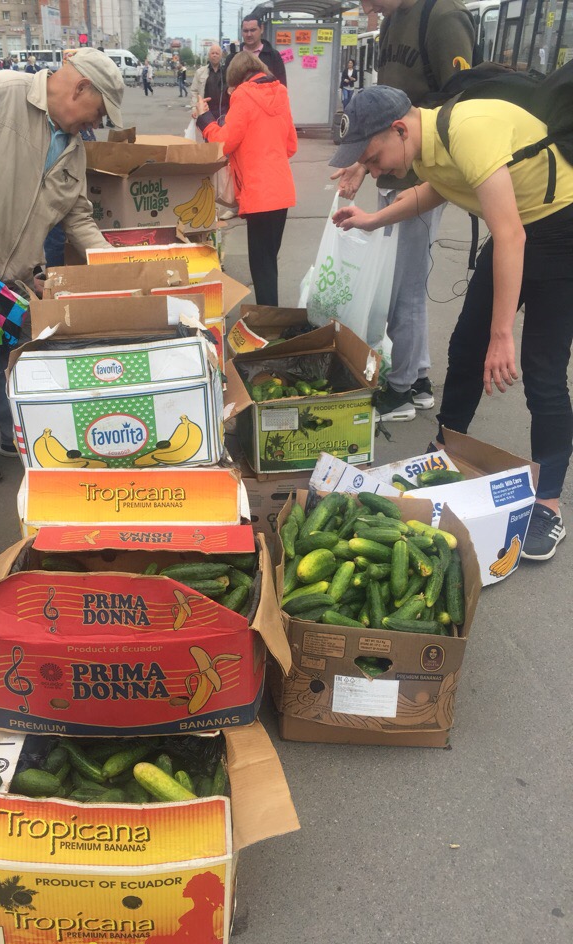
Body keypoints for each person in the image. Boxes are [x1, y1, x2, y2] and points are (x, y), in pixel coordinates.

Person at [330, 85, 573, 561]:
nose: (377, 170)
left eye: (374, 158)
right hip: (521, 228)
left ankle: (548, 503)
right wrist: (373, 220)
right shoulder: (427, 145)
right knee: (464, 349)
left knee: (541, 371)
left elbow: (510, 236)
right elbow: (435, 189)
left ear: (399, 129)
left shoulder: (467, 132)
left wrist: (502, 335)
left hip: (559, 227)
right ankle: (444, 449)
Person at [0, 49, 123, 484]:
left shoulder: (73, 148)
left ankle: (18, 435)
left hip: (15, 274)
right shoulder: (3, 92)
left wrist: (115, 264)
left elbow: (78, 216)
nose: (95, 124)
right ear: (81, 87)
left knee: (17, 357)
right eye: (98, 112)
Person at [330, 0, 474, 422]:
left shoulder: (443, 18)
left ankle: (402, 390)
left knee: (403, 289)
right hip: (394, 165)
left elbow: (462, 100)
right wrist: (362, 161)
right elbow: (382, 105)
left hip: (421, 170)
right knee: (401, 283)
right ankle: (420, 378)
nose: (365, 5)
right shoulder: (392, 21)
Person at [196, 51, 296, 306]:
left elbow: (224, 142)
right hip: (282, 190)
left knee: (261, 267)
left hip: (259, 193)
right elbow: (291, 146)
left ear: (236, 78)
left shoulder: (243, 95)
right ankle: (270, 320)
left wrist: (204, 119)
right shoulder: (280, 93)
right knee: (268, 262)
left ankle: (267, 326)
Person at [225, 15, 286, 86]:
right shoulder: (232, 57)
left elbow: (281, 85)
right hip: (239, 97)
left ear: (262, 29)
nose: (249, 34)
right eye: (245, 31)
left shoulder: (273, 56)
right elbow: (225, 86)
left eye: (253, 30)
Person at [190, 45, 228, 121]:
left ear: (221, 56)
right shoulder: (200, 72)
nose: (214, 55)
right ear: (209, 55)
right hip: (206, 111)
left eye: (217, 53)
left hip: (224, 113)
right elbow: (194, 91)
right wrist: (194, 107)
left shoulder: (228, 72)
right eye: (212, 53)